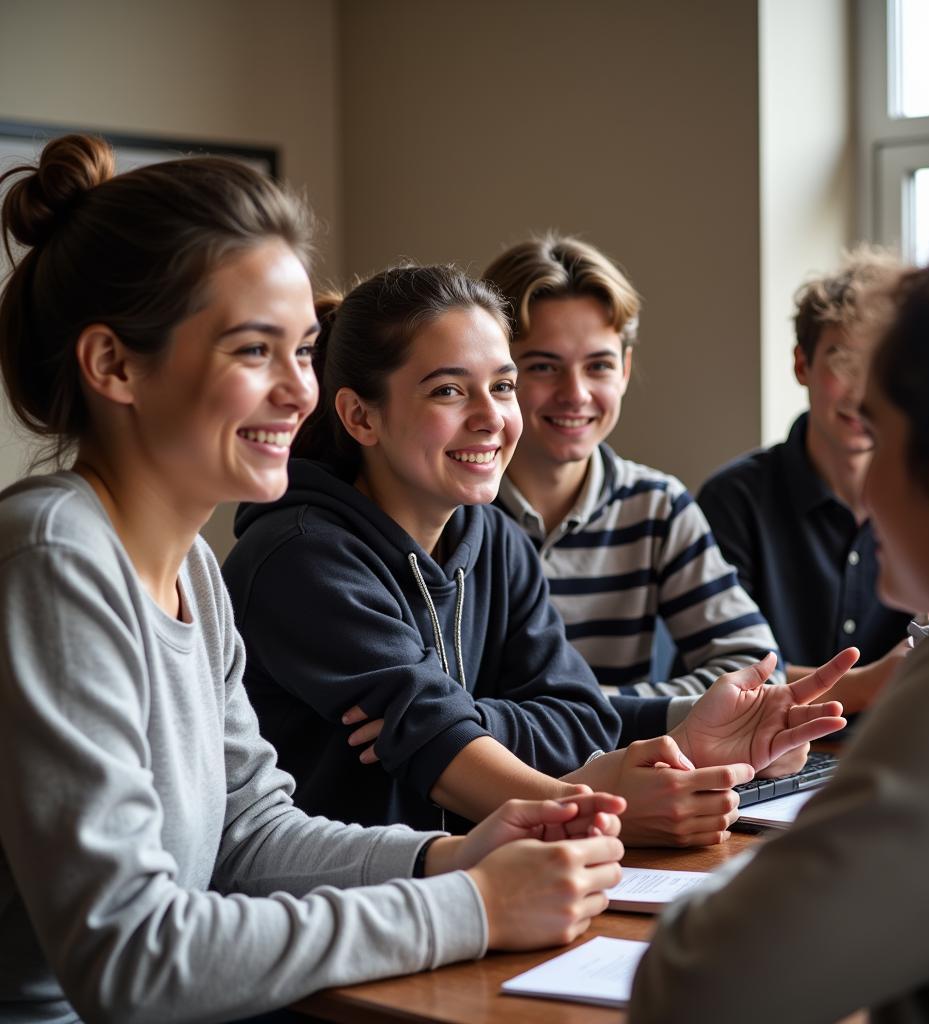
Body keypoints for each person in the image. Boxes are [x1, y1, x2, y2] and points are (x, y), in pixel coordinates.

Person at [0, 134, 630, 1024]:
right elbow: (129, 960)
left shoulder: (195, 579)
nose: (299, 393)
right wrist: (473, 907)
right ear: (114, 366)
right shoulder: (55, 560)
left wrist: (458, 858)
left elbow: (250, 838)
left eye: (302, 352)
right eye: (255, 351)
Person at [223, 262, 852, 848]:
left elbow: (579, 719)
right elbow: (444, 759)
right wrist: (608, 811)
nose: (491, 418)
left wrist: (461, 719)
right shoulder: (299, 556)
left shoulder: (495, 539)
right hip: (348, 905)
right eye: (448, 391)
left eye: (501, 385)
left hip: (487, 875)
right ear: (361, 416)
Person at [630, 215, 929, 1022]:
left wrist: (808, 842)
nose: (863, 483)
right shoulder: (736, 496)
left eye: (879, 437)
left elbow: (693, 986)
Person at [481, 235, 785, 726]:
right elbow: (437, 709)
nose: (575, 394)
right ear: (497, 375)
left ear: (624, 370)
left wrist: (580, 705)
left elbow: (761, 674)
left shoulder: (657, 506)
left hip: (630, 782)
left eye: (598, 365)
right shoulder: (449, 509)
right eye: (543, 366)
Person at [698, 250, 915, 713]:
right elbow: (722, 675)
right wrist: (870, 684)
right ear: (802, 365)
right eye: (842, 359)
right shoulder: (734, 500)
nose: (861, 391)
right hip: (767, 764)